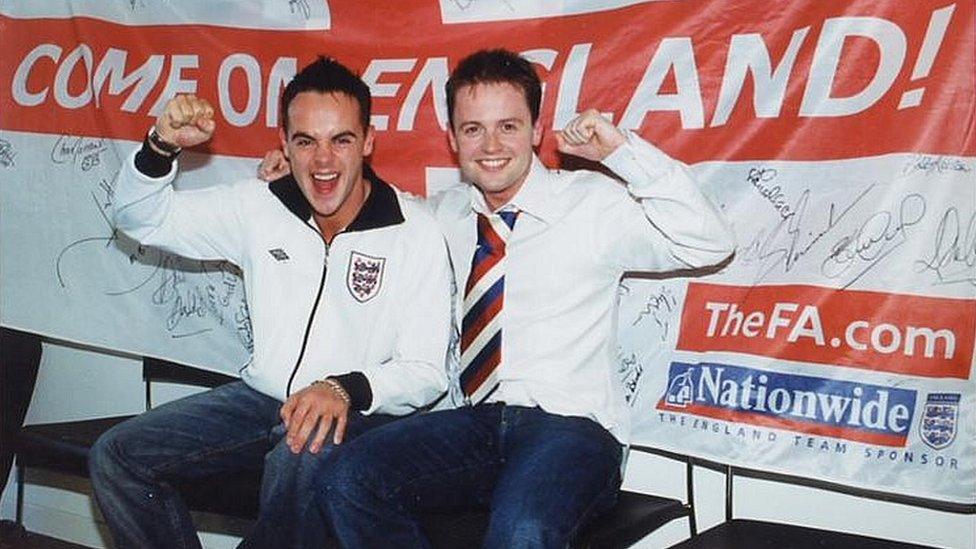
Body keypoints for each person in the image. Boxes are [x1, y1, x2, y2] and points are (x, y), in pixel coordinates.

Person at [258, 48, 735, 548]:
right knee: (344, 479)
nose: (490, 145)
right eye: (472, 129)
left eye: (507, 126)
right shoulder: (440, 217)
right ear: (452, 138)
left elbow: (709, 241)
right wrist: (290, 182)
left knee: (522, 529)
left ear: (535, 130)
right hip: (471, 424)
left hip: (569, 429)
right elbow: (352, 200)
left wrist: (621, 151)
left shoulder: (590, 204)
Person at [88, 56, 453, 549]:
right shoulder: (259, 205)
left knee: (301, 454)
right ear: (285, 144)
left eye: (341, 140)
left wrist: (344, 388)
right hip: (262, 399)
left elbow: (427, 371)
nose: (323, 161)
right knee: (117, 456)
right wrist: (161, 146)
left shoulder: (416, 231)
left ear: (368, 142)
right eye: (306, 142)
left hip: (362, 413)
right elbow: (139, 220)